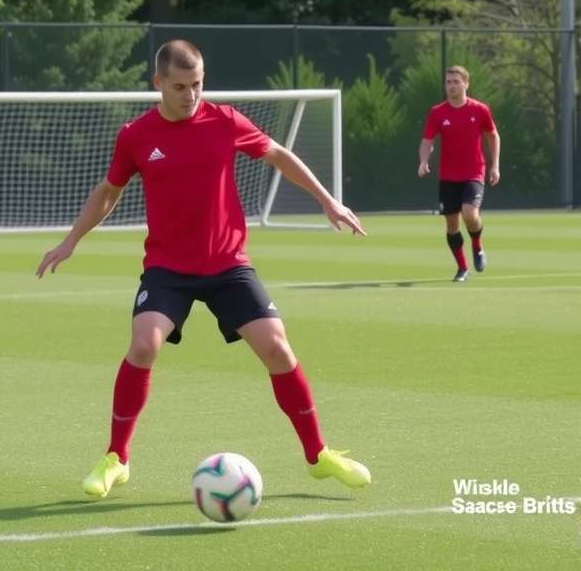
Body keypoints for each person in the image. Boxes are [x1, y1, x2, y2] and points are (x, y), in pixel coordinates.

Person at [36, 39, 371, 498]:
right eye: (180, 86)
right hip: (168, 268)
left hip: (227, 263)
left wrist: (328, 201)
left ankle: (319, 456)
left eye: (197, 84)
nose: (191, 95)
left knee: (277, 348)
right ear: (158, 82)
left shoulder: (225, 120)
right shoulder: (136, 135)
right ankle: (116, 458)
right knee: (144, 344)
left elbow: (278, 155)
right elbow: (109, 192)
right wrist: (70, 241)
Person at [418, 65, 501, 282]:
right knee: (452, 225)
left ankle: (477, 245)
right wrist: (424, 160)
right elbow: (427, 141)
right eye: (448, 82)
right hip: (448, 176)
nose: (451, 86)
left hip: (474, 172)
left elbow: (493, 135)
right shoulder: (437, 112)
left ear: (466, 84)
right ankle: (462, 268)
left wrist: (495, 165)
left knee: (470, 214)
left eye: (456, 81)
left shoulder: (480, 109)